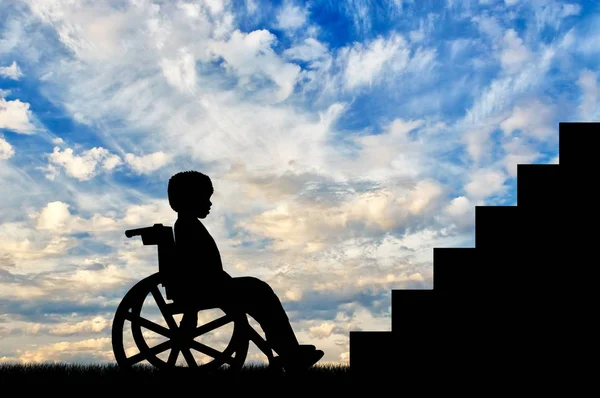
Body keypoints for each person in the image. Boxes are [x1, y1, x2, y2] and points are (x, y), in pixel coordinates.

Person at [167, 170, 324, 372]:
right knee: (261, 293)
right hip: (209, 287)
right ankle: (289, 352)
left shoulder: (186, 225)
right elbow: (195, 268)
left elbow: (197, 267)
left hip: (210, 284)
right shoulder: (187, 227)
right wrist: (192, 311)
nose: (210, 203)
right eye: (205, 198)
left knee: (260, 293)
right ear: (190, 198)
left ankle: (287, 351)